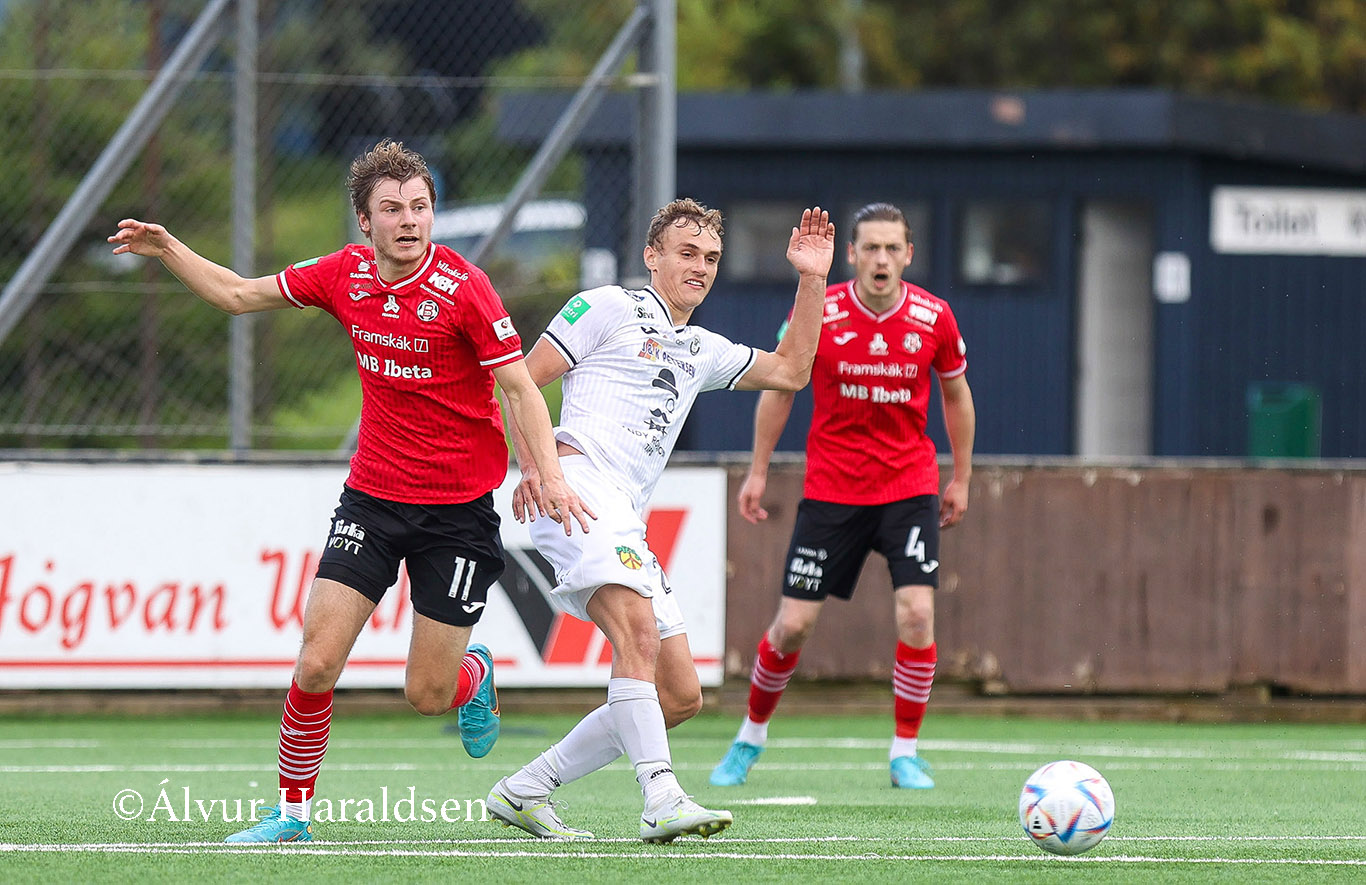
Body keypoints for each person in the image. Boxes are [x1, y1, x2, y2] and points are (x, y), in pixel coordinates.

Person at [108, 139, 590, 843]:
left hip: (457, 513)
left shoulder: (466, 289)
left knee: (427, 694)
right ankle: (291, 816)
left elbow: (518, 387)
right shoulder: (344, 273)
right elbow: (238, 295)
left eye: (419, 206)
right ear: (365, 221)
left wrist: (546, 473)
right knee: (316, 660)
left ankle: (472, 674)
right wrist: (169, 249)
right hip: (372, 499)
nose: (409, 220)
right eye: (392, 208)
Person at [485, 199, 835, 843]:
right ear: (652, 256)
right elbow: (520, 381)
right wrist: (535, 468)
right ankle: (661, 799)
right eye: (686, 253)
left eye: (711, 258)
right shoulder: (606, 307)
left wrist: (812, 278)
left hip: (623, 513)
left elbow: (792, 371)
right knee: (638, 637)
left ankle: (526, 788)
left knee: (679, 694)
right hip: (577, 489)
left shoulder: (702, 348)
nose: (700, 267)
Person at [710, 202, 975, 791]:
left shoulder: (934, 316)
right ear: (851, 254)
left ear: (908, 255)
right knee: (793, 626)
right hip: (833, 488)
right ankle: (750, 738)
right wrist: (758, 471)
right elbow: (780, 387)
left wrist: (960, 477)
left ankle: (905, 752)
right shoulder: (821, 313)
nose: (882, 258)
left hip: (908, 487)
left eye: (892, 248)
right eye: (871, 247)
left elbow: (956, 396)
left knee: (917, 613)